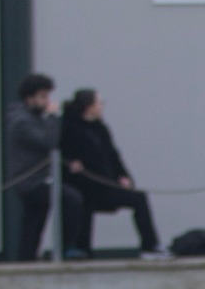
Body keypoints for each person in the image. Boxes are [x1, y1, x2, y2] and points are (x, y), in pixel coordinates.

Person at [59, 89, 167, 260]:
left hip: (107, 185)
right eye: (99, 103)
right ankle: (82, 251)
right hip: (85, 187)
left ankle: (150, 246)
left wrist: (124, 176)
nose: (102, 107)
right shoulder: (69, 128)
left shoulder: (101, 128)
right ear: (89, 107)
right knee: (83, 207)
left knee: (139, 198)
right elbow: (63, 158)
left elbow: (113, 155)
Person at [5, 73, 90, 260]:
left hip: (39, 178)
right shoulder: (22, 121)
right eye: (43, 97)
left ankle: (26, 259)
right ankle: (66, 247)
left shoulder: (34, 118)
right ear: (30, 98)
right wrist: (53, 116)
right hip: (31, 182)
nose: (47, 101)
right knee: (71, 199)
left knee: (34, 223)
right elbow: (48, 141)